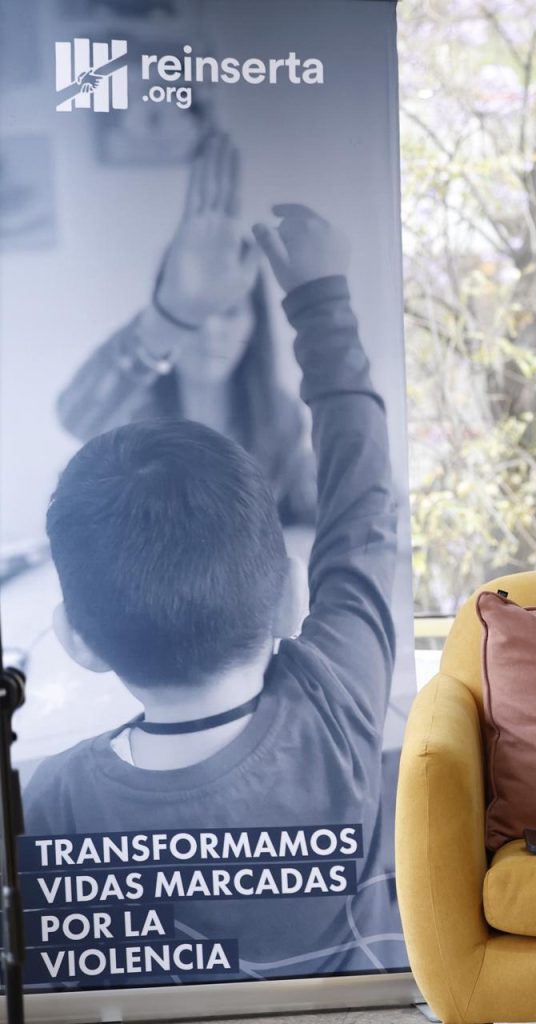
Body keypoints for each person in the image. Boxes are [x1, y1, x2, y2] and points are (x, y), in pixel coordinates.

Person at [24, 203, 401, 980]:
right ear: (285, 597)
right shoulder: (340, 703)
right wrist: (323, 299)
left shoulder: (47, 801)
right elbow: (363, 507)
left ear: (78, 640)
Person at [55, 132, 316, 525]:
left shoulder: (280, 416)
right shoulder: (130, 410)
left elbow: (293, 514)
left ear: (254, 325)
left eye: (229, 312)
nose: (210, 331)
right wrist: (169, 318)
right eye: (197, 314)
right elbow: (76, 414)